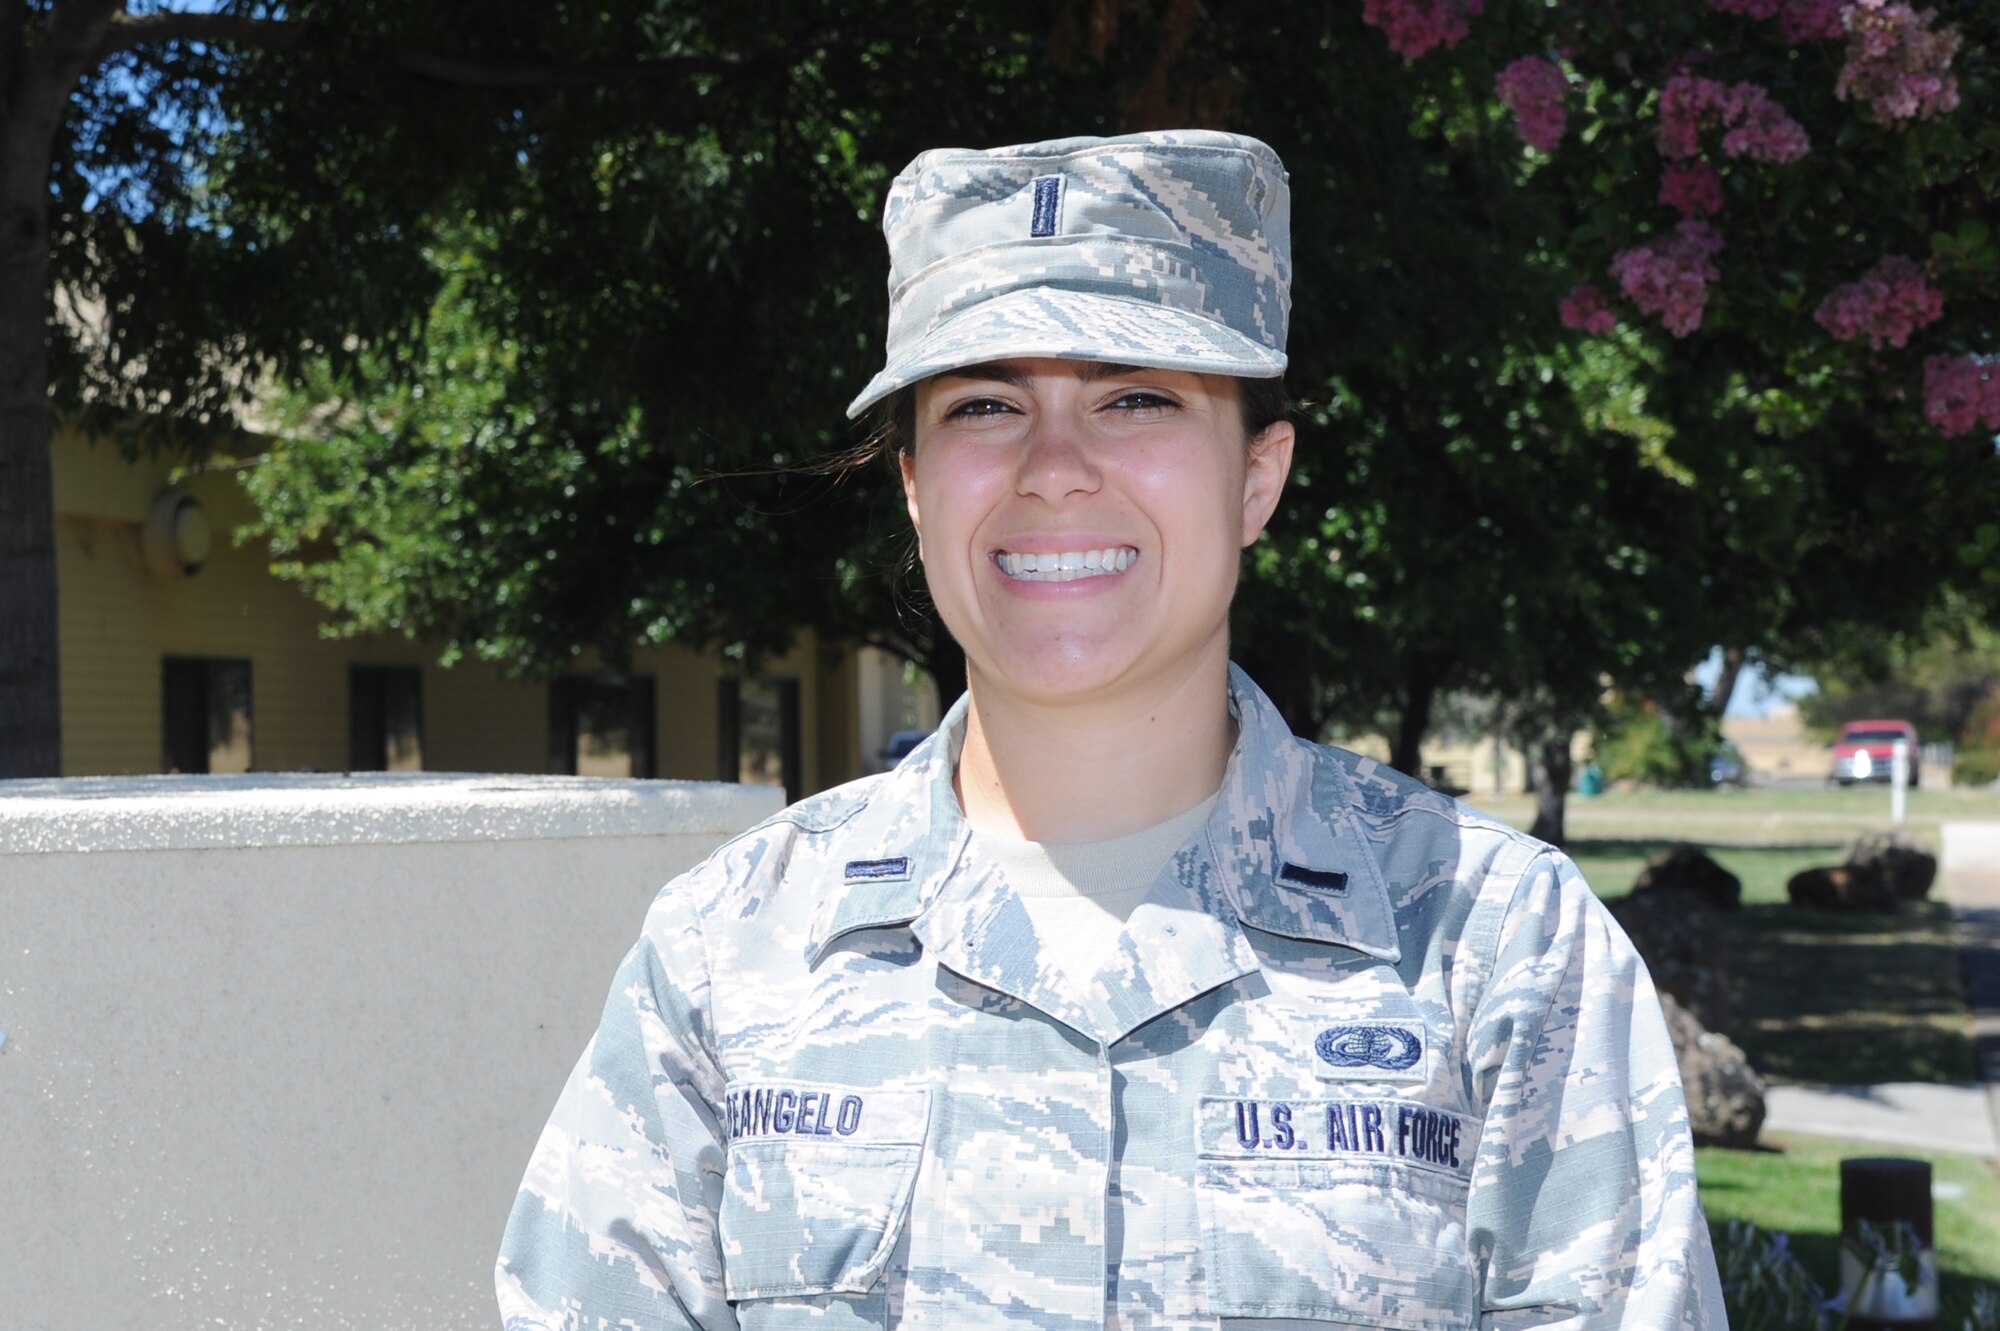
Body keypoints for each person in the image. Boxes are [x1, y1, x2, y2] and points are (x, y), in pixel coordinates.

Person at [496, 130, 1724, 1330]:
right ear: (915, 484)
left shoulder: (1490, 944)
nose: (1055, 466)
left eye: (1137, 397)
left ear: (1258, 476)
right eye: (983, 405)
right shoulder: (731, 953)